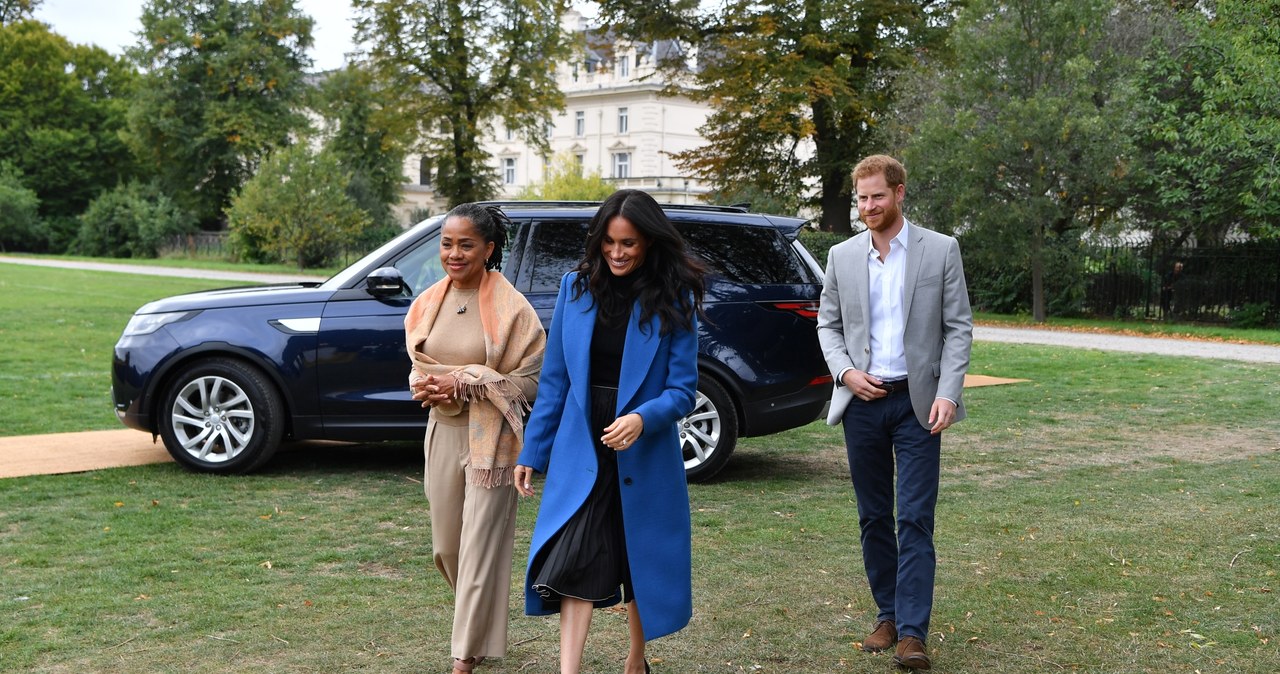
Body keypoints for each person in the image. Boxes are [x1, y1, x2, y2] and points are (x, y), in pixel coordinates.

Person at [513, 189, 705, 674]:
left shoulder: (674, 297)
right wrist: (531, 452)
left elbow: (683, 392)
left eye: (630, 244)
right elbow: (555, 381)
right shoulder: (574, 289)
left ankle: (635, 661)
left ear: (649, 244)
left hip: (642, 447)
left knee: (638, 558)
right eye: (610, 243)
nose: (618, 253)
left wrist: (642, 418)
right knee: (575, 554)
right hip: (584, 443)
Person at [816, 155, 973, 670]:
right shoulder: (841, 256)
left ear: (900, 193)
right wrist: (845, 373)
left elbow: (958, 329)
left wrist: (948, 393)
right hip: (863, 402)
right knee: (873, 516)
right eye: (861, 198)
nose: (867, 207)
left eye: (876, 196)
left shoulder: (941, 249)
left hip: (918, 403)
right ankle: (887, 614)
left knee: (915, 517)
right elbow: (828, 326)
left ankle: (912, 633)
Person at [404, 203, 546, 674]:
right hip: (442, 433)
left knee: (481, 545)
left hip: (493, 442)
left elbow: (530, 382)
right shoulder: (428, 302)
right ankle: (480, 627)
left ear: (489, 248)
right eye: (447, 243)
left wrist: (467, 380)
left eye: (466, 244)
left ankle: (463, 658)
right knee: (446, 548)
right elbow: (421, 363)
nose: (454, 253)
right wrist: (426, 384)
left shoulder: (513, 310)